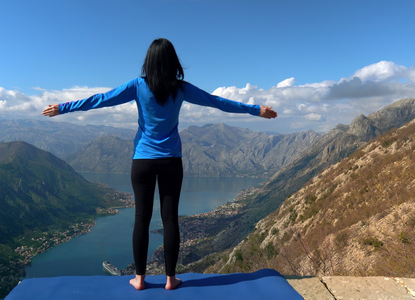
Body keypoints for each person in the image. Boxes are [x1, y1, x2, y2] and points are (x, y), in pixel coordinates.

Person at [42, 38, 277, 290]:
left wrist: (63, 107)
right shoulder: (181, 89)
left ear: (148, 62)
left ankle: (140, 279)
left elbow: (101, 99)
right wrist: (256, 110)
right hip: (171, 161)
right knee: (170, 219)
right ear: (173, 61)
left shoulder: (137, 86)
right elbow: (218, 102)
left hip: (142, 161)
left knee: (141, 218)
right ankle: (170, 279)